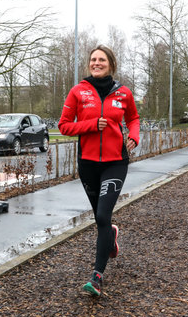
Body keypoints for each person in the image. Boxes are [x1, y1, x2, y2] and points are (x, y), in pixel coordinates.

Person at [58, 45, 140, 296]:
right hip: (88, 163)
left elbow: (133, 119)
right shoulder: (78, 92)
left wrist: (134, 137)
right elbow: (64, 126)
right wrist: (93, 124)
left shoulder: (123, 93)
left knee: (103, 216)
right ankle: (111, 236)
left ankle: (96, 277)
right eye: (93, 59)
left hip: (116, 161)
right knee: (100, 218)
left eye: (101, 59)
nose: (96, 63)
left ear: (110, 64)